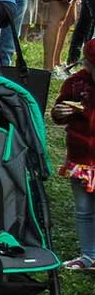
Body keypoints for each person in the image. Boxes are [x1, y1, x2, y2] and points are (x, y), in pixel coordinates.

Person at [51, 38, 95, 271]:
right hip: (81, 158)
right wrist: (60, 112)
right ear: (87, 64)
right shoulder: (75, 84)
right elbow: (58, 114)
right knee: (84, 209)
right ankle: (88, 256)